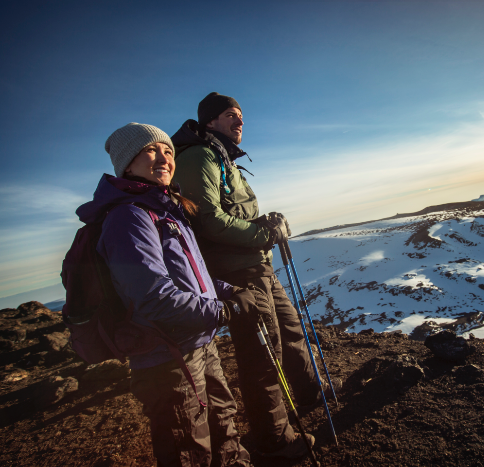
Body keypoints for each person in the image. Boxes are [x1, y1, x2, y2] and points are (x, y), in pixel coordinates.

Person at [171, 93, 338, 458]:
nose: (240, 121)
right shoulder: (200, 156)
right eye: (231, 115)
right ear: (211, 122)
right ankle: (274, 437)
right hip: (237, 271)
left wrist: (263, 225)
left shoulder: (222, 157)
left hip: (256, 264)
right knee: (263, 353)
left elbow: (234, 213)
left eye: (241, 116)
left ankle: (310, 391)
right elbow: (208, 219)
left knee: (290, 329)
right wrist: (264, 233)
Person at [76, 123, 252, 467]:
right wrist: (223, 312)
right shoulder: (129, 218)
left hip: (198, 342)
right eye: (151, 150)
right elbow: (154, 296)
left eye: (168, 151)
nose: (164, 158)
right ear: (128, 163)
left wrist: (231, 292)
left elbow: (194, 276)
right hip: (166, 358)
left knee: (223, 429)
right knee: (189, 448)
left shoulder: (166, 209)